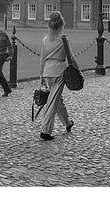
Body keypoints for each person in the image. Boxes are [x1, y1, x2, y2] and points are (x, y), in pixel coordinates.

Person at [36, 10, 77, 140]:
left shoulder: (45, 39)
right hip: (59, 72)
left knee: (57, 100)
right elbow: (70, 57)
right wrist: (79, 71)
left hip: (48, 72)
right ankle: (46, 131)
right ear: (61, 25)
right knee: (53, 102)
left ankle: (67, 123)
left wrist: (41, 75)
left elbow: (42, 59)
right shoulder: (64, 39)